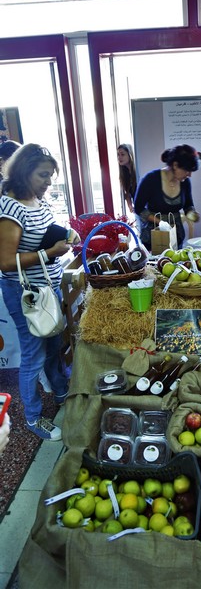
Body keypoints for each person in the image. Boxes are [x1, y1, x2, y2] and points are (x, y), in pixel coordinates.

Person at [0, 144, 80, 441]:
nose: (49, 182)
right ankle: (33, 418)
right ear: (24, 172)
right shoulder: (9, 208)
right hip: (26, 293)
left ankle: (61, 392)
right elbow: (6, 262)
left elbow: (45, 231)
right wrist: (49, 253)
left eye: (51, 176)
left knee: (53, 343)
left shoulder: (38, 199)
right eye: (43, 175)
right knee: (33, 355)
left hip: (47, 287)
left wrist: (66, 234)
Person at [134, 144, 200, 250]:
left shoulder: (185, 182)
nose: (189, 175)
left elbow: (188, 205)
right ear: (175, 165)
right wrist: (160, 222)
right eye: (187, 170)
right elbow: (138, 208)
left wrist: (192, 214)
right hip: (153, 237)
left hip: (176, 235)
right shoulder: (150, 179)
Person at [117, 143, 137, 213]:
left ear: (130, 155)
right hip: (138, 209)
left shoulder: (137, 171)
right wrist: (130, 206)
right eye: (118, 155)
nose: (119, 157)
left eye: (122, 154)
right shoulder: (124, 174)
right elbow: (127, 193)